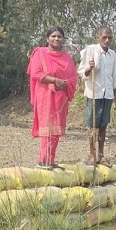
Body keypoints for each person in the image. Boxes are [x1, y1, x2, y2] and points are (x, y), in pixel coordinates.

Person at [27, 26, 78, 170]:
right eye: (53, 36)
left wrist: (65, 83)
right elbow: (35, 73)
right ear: (47, 39)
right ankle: (43, 160)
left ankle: (51, 159)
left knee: (56, 129)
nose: (56, 39)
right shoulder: (40, 53)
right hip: (45, 95)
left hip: (61, 97)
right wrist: (55, 80)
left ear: (63, 39)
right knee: (47, 127)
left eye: (59, 36)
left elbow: (73, 77)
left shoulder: (67, 57)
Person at [77, 26, 116, 167]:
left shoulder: (113, 54)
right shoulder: (90, 51)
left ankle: (101, 155)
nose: (107, 40)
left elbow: (114, 76)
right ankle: (92, 153)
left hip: (107, 94)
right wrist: (90, 68)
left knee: (103, 125)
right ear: (98, 37)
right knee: (92, 125)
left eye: (109, 38)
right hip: (94, 93)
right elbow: (82, 73)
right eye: (104, 37)